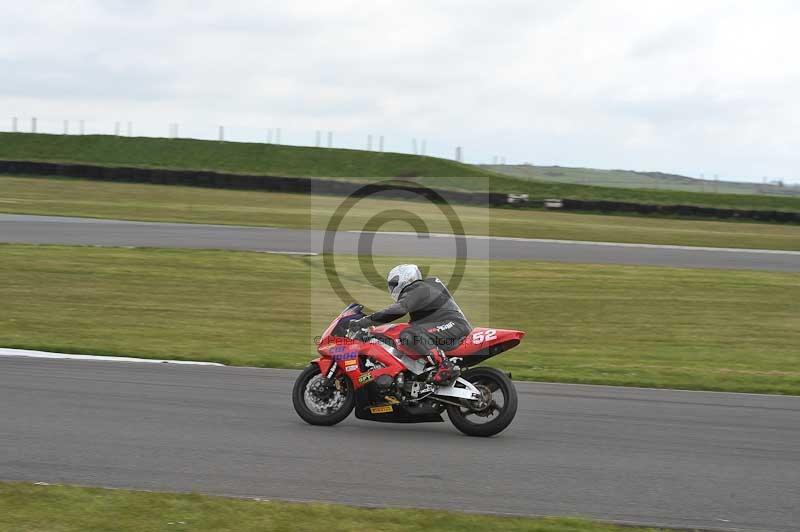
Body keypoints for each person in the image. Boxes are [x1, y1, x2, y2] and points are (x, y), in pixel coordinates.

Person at [347, 264, 472, 385]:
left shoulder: (419, 287)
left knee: (410, 333)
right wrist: (373, 331)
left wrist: (363, 321)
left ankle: (445, 366)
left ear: (406, 277)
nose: (392, 287)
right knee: (402, 333)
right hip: (444, 325)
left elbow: (398, 310)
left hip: (453, 324)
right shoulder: (419, 291)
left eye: (394, 283)